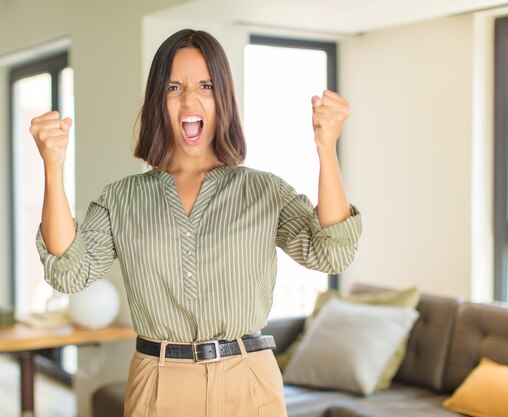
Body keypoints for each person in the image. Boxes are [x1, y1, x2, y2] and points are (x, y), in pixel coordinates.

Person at [31, 29, 361, 417]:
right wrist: (53, 168)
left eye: (205, 85)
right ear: (158, 100)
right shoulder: (121, 199)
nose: (190, 99)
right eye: (174, 87)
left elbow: (332, 253)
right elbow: (70, 273)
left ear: (222, 98)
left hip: (250, 384)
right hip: (158, 384)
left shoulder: (263, 190)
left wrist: (326, 148)